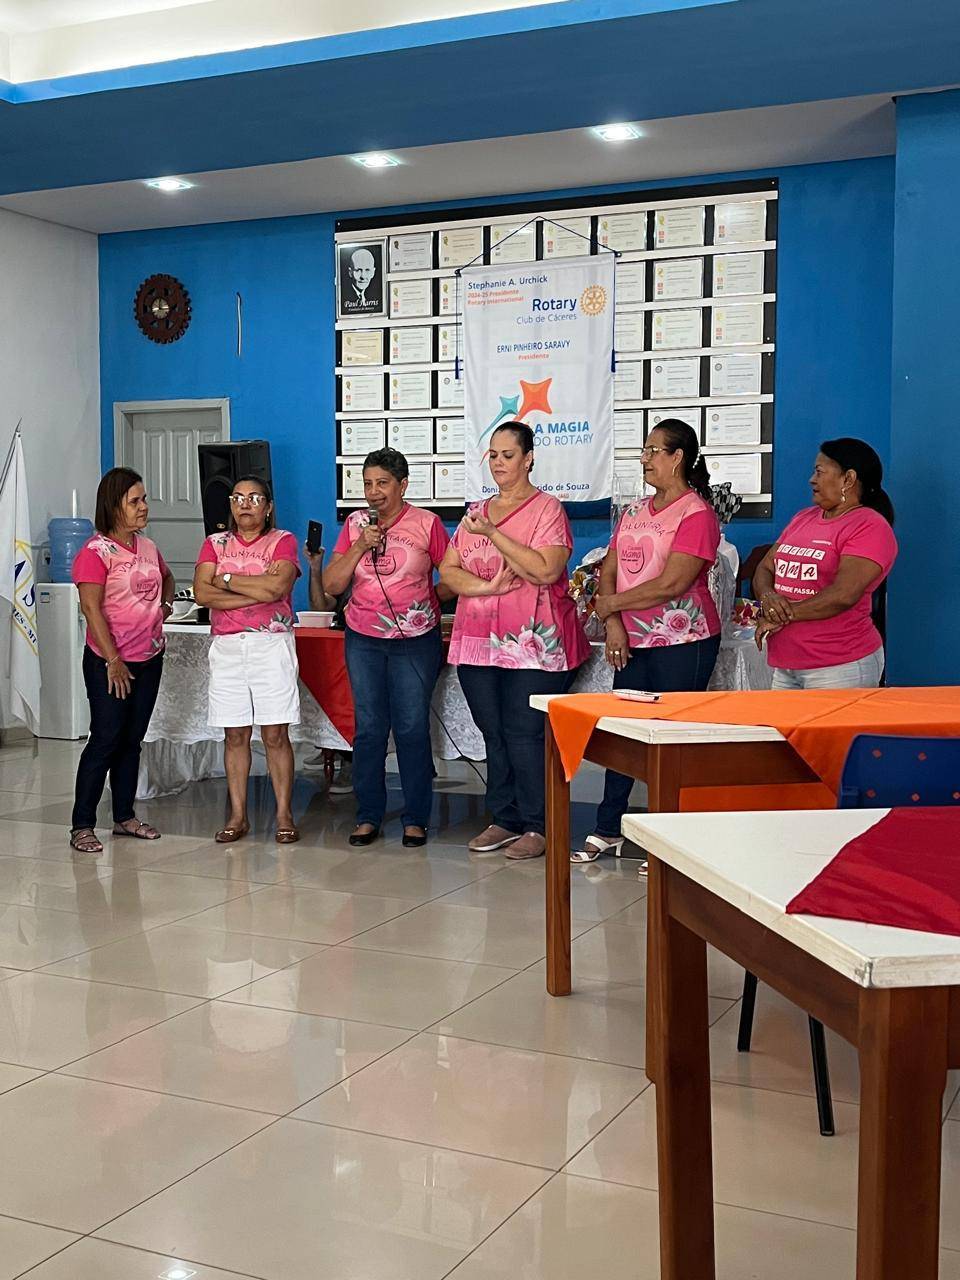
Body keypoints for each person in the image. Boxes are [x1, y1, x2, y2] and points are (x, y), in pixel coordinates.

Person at [440, 421, 589, 861]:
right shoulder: (477, 511)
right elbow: (448, 571)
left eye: (508, 455)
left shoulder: (547, 509)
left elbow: (545, 569)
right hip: (478, 639)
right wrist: (485, 587)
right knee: (493, 731)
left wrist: (493, 534)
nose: (499, 463)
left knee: (524, 732)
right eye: (493, 455)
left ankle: (539, 823)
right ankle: (504, 817)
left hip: (532, 641)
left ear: (528, 459)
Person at [576, 418, 722, 863]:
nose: (644, 458)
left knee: (670, 741)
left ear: (678, 458)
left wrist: (610, 604)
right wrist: (613, 622)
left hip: (684, 640)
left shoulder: (696, 514)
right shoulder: (634, 511)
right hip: (632, 640)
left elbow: (672, 584)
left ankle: (669, 842)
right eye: (643, 450)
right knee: (622, 735)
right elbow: (609, 569)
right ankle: (608, 827)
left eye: (653, 450)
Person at [324, 447, 450, 848]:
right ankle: (368, 815)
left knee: (411, 726)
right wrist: (360, 546)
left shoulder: (427, 524)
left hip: (415, 641)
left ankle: (416, 818)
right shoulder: (355, 525)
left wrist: (427, 603)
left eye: (382, 483)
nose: (373, 491)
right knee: (369, 727)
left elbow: (453, 576)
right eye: (367, 484)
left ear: (403, 485)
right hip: (363, 639)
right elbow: (332, 584)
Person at [70, 467, 175, 852]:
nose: (144, 506)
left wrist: (163, 607)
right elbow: (91, 608)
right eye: (135, 501)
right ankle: (82, 824)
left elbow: (167, 578)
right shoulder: (95, 552)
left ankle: (124, 817)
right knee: (106, 738)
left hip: (149, 657)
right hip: (109, 662)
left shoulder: (147, 547)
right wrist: (113, 660)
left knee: (132, 740)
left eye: (144, 499)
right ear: (114, 506)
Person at [193, 475, 302, 843]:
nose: (245, 504)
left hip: (271, 645)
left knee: (275, 733)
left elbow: (277, 587)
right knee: (235, 733)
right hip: (227, 647)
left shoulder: (282, 540)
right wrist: (255, 591)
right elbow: (202, 593)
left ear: (268, 507)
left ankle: (284, 814)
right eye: (237, 497)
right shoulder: (214, 543)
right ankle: (238, 816)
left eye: (254, 498)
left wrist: (224, 578)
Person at [753, 437, 897, 688]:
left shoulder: (870, 526)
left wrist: (780, 615)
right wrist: (767, 597)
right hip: (787, 663)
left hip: (839, 665)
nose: (812, 479)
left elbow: (843, 595)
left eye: (819, 472)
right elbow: (765, 567)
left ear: (848, 479)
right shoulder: (803, 518)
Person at [302, 540, 352, 794]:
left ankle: (351, 760)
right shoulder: (345, 574)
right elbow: (320, 606)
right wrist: (315, 570)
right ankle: (330, 743)